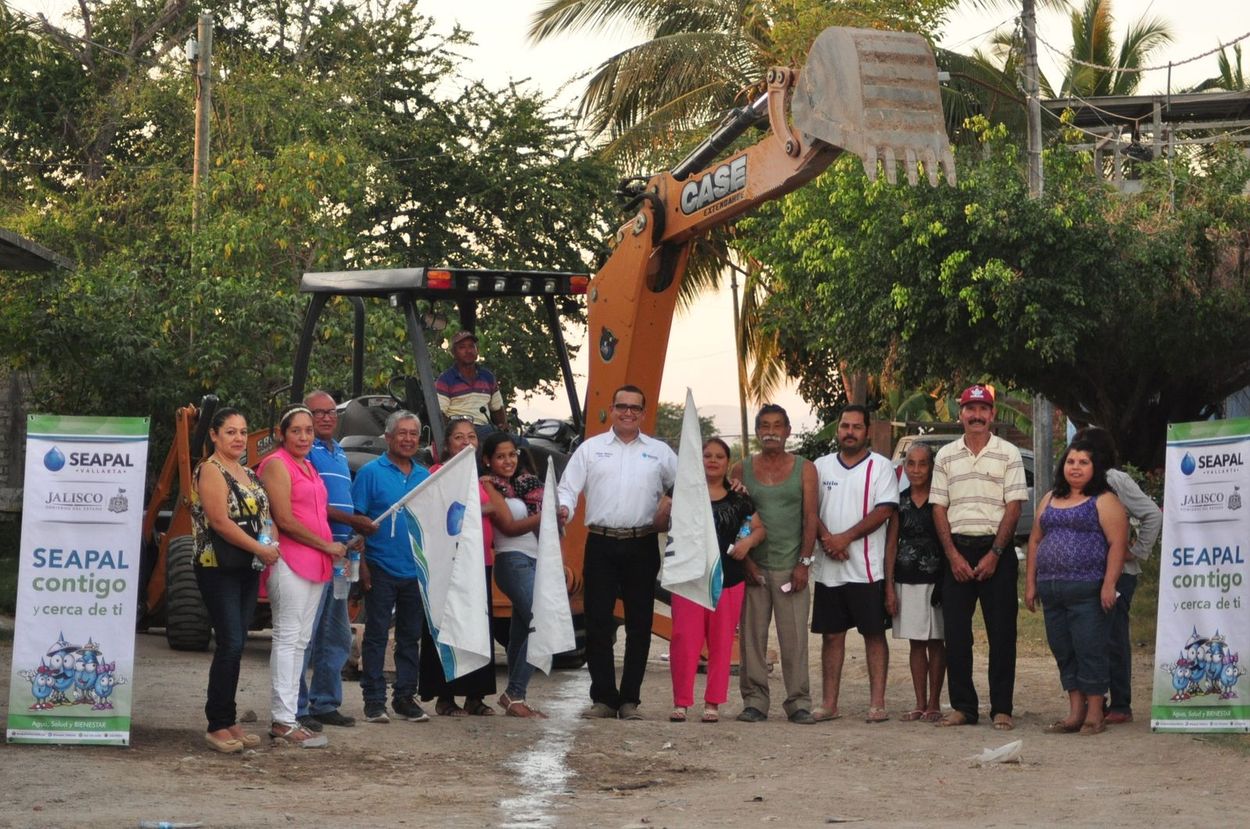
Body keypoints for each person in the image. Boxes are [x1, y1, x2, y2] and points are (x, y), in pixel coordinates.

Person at [557, 384, 677, 720]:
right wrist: (563, 509)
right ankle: (604, 699)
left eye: (635, 408)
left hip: (642, 544)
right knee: (598, 622)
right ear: (612, 409)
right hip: (601, 543)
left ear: (643, 412)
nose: (627, 413)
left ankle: (630, 700)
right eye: (621, 406)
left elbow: (689, 485)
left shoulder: (661, 452)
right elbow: (567, 489)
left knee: (639, 623)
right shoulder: (590, 450)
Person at [929, 384, 1028, 730]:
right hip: (957, 549)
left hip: (996, 551)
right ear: (960, 415)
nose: (976, 416)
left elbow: (1014, 507)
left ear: (992, 415)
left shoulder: (1009, 453)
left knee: (1002, 633)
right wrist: (953, 555)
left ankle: (1002, 707)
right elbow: (939, 508)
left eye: (982, 409)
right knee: (956, 634)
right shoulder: (945, 456)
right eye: (970, 409)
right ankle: (963, 707)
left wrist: (995, 554)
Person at [190, 407, 281, 754]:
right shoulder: (210, 470)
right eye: (230, 432)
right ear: (214, 435)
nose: (239, 438)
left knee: (238, 642)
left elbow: (264, 517)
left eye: (243, 432)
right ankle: (217, 723)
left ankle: (228, 720)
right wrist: (260, 548)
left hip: (246, 565)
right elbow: (220, 522)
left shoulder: (248, 473)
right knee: (229, 642)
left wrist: (268, 545)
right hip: (218, 566)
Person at [258, 405, 347, 747]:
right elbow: (286, 519)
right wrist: (327, 545)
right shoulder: (277, 464)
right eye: (296, 430)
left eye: (309, 430)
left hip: (316, 563)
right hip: (292, 560)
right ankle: (282, 719)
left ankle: (289, 717)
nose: (305, 436)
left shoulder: (308, 466)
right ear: (282, 434)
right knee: (287, 638)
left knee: (300, 642)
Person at [1026, 439, 1128, 735]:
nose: (1076, 467)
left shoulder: (1104, 499)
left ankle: (1095, 713)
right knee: (1064, 650)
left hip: (1089, 590)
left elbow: (1117, 544)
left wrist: (1109, 584)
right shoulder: (1049, 498)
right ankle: (1075, 712)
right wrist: (1031, 583)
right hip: (1051, 590)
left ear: (1094, 468)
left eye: (1083, 462)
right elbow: (1034, 540)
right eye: (1071, 462)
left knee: (1090, 649)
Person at [730, 404, 820, 725]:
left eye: (777, 425)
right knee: (752, 638)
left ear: (788, 431)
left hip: (790, 564)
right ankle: (755, 701)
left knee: (794, 637)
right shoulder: (741, 469)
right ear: (757, 432)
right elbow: (737, 519)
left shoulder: (804, 469)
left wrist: (803, 563)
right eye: (765, 426)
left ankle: (798, 702)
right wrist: (747, 563)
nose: (771, 431)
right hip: (754, 567)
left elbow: (810, 518)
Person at [811, 405, 899, 723]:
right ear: (838, 429)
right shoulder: (820, 466)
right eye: (845, 426)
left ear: (867, 431)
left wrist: (844, 538)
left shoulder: (881, 467)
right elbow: (810, 510)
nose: (850, 431)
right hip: (829, 568)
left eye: (856, 427)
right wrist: (828, 540)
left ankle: (877, 703)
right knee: (832, 636)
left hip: (867, 568)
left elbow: (884, 510)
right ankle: (829, 703)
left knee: (873, 634)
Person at [295, 391, 375, 732]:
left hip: (342, 557)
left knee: (336, 635)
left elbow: (343, 505)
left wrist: (355, 534)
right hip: (314, 553)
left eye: (331, 412)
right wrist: (353, 520)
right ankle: (297, 708)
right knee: (305, 637)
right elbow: (309, 503)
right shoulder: (304, 453)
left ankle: (325, 703)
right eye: (318, 413)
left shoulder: (339, 452)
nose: (326, 418)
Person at [668, 437, 763, 724]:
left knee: (722, 642)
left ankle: (713, 703)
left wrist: (747, 544)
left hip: (729, 578)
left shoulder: (739, 497)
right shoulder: (682, 491)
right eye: (706, 455)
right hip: (688, 579)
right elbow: (661, 519)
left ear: (727, 462)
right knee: (684, 640)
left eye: (718, 456)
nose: (712, 460)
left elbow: (758, 529)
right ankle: (681, 702)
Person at [1071, 426, 1161, 725]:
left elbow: (1152, 513)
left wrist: (1137, 550)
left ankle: (1121, 704)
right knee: (1087, 638)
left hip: (1119, 573)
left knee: (1113, 638)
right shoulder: (1079, 481)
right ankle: (1099, 700)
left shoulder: (1113, 479)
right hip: (1088, 571)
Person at [351, 410, 431, 723]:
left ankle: (404, 698)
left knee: (411, 637)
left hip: (415, 569)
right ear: (388, 437)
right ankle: (373, 700)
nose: (409, 439)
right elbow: (357, 524)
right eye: (402, 433)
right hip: (380, 566)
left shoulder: (425, 477)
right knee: (376, 636)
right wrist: (364, 566)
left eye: (414, 433)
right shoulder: (370, 473)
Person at [418, 417, 498, 717]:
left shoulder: (482, 477)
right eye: (459, 437)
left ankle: (475, 696)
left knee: (478, 627)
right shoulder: (439, 473)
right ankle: (444, 695)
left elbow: (496, 509)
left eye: (472, 437)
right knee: (447, 627)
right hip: (449, 563)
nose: (466, 442)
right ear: (447, 445)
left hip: (480, 562)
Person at [481, 432, 548, 718]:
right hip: (512, 560)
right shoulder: (488, 485)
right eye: (500, 456)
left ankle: (515, 695)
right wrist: (545, 516)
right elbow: (508, 526)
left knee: (521, 632)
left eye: (512, 455)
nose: (507, 461)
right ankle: (514, 694)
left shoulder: (526, 484)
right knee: (541, 622)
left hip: (536, 560)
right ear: (488, 460)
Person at [885, 442, 947, 723]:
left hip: (938, 580)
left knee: (936, 641)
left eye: (923, 464)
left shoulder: (941, 499)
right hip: (907, 580)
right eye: (911, 463)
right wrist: (889, 587)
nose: (917, 469)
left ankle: (934, 703)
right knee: (916, 643)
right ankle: (919, 702)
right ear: (904, 466)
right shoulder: (898, 501)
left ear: (931, 467)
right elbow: (890, 545)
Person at [435, 330, 508, 432]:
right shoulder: (445, 379)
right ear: (453, 353)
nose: (468, 351)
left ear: (477, 350)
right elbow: (439, 415)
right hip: (460, 430)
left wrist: (502, 426)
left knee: (523, 442)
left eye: (471, 346)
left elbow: (497, 409)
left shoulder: (488, 377)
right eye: (462, 347)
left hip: (485, 429)